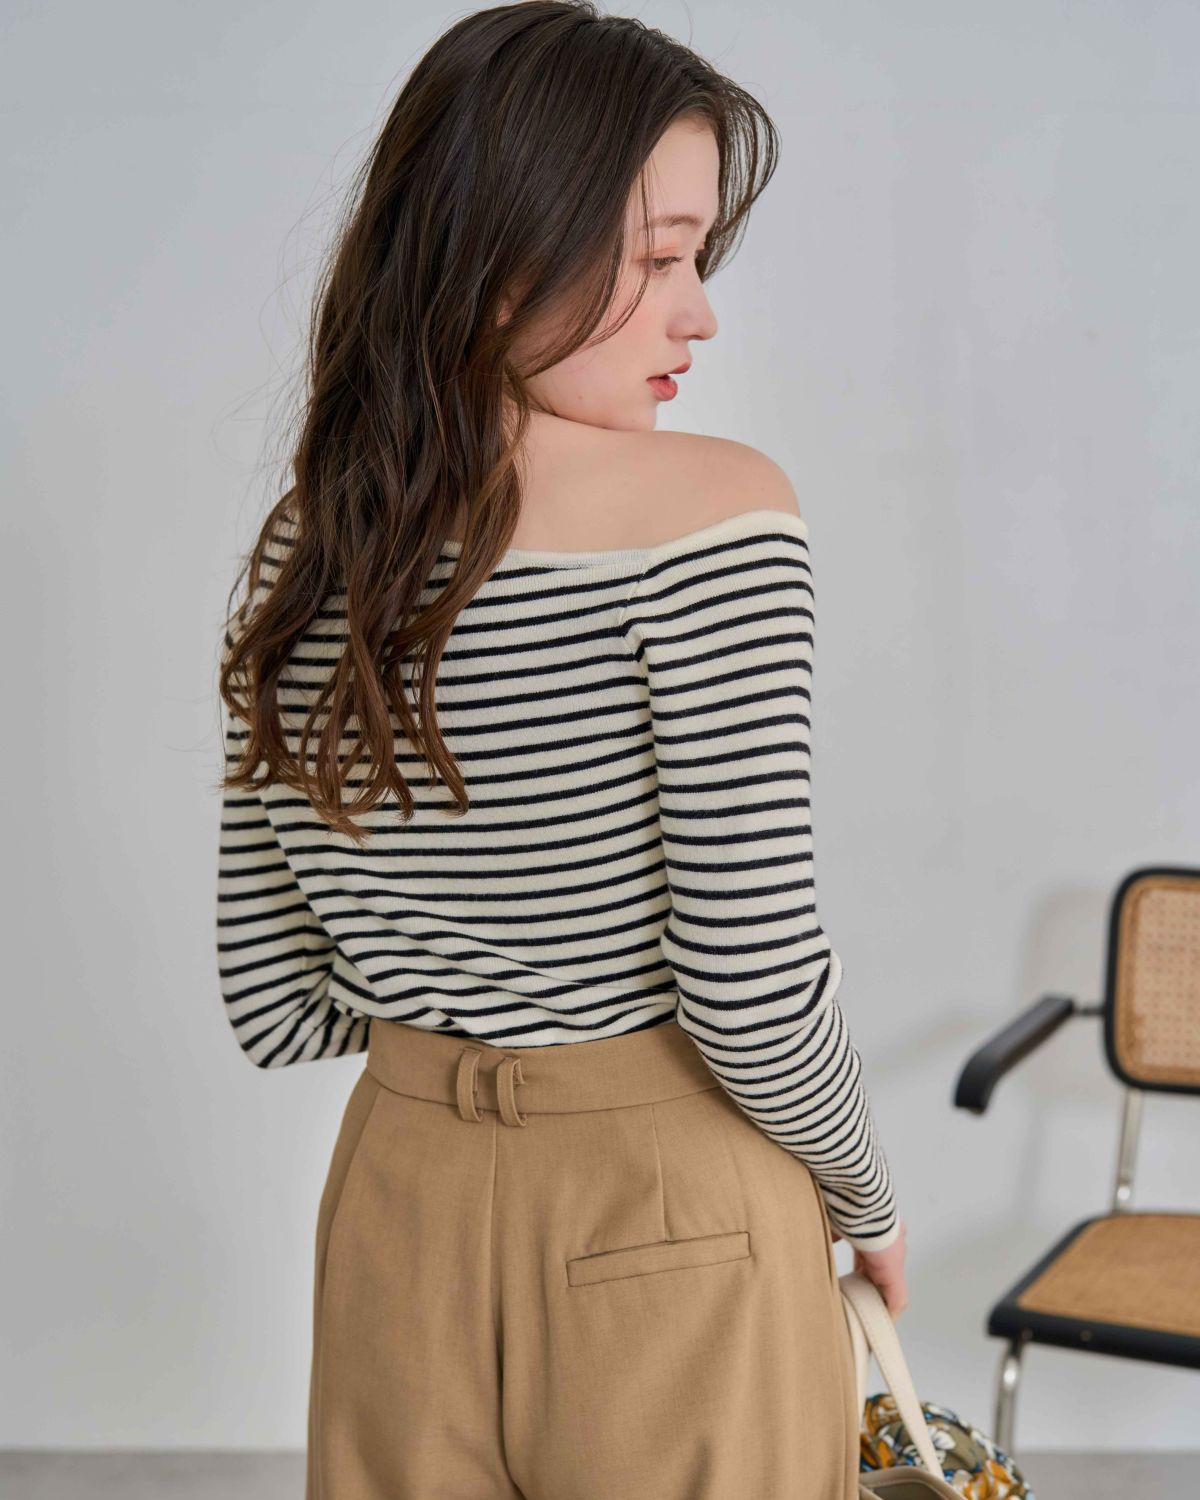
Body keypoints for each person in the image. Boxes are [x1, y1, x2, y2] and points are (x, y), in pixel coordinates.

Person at [215, 3, 907, 1496]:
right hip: (674, 1211)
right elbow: (748, 984)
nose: (697, 315)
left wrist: (458, 1012)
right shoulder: (718, 515)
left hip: (397, 1208)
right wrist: (867, 1194)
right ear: (502, 246)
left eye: (698, 261)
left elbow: (272, 997)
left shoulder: (311, 543)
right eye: (658, 257)